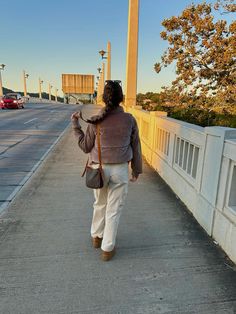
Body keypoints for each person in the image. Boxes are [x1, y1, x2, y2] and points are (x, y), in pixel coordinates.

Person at [71, 80, 142, 261]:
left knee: (100, 204)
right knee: (114, 210)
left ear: (104, 98)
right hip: (120, 170)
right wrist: (136, 169)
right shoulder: (130, 119)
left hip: (98, 169)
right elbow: (136, 146)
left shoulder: (96, 120)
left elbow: (85, 147)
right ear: (121, 98)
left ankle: (96, 236)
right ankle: (107, 249)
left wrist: (76, 126)